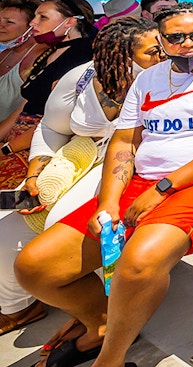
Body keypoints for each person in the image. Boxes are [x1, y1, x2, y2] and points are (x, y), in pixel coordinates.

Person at [15, 4, 193, 367]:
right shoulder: (149, 79)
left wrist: (162, 188)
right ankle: (103, 323)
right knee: (36, 267)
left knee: (139, 261)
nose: (189, 44)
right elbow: (124, 142)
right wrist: (108, 202)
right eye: (176, 37)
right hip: (145, 178)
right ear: (162, 41)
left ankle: (110, 358)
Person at [0, 18, 162, 339]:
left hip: (134, 174)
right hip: (72, 164)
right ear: (120, 55)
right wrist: (36, 174)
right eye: (154, 52)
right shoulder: (80, 79)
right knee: (4, 231)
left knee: (60, 229)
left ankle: (101, 314)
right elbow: (52, 128)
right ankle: (17, 308)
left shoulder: (171, 84)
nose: (165, 57)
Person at [0, 0, 96, 162]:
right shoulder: (50, 52)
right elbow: (25, 104)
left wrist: (7, 149)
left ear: (69, 22)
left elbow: (59, 119)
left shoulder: (82, 57)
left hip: (39, 145)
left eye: (42, 17)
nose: (33, 23)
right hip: (17, 141)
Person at [0, 0, 42, 122]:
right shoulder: (5, 53)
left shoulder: (38, 59)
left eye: (9, 22)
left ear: (32, 27)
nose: (1, 25)